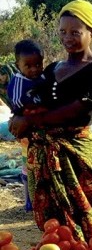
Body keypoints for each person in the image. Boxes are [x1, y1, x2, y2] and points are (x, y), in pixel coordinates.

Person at [9, 0, 92, 241]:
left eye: (75, 32)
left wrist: (32, 121)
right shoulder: (51, 68)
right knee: (55, 224)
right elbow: (31, 99)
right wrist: (18, 117)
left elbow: (78, 109)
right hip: (46, 154)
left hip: (78, 153)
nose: (67, 37)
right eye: (63, 31)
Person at [6, 39, 45, 212]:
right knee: (28, 166)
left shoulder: (42, 77)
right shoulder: (19, 81)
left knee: (41, 167)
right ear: (18, 65)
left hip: (40, 130)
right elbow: (17, 104)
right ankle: (30, 202)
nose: (34, 69)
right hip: (27, 131)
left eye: (38, 64)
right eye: (28, 66)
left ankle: (42, 200)